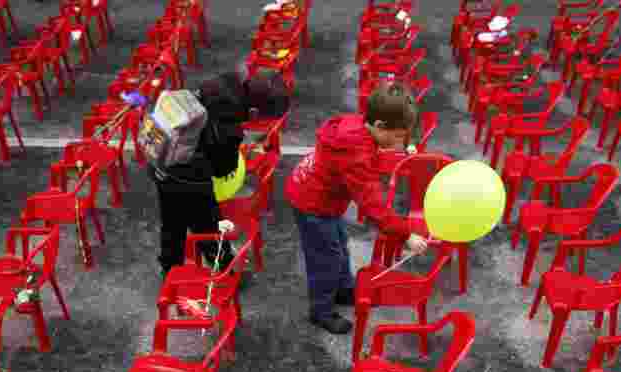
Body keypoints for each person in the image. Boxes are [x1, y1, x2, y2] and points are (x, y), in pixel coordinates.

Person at [286, 82, 429, 334]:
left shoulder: (359, 126)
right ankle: (321, 310)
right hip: (313, 205)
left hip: (323, 200)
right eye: (397, 137)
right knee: (326, 259)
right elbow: (372, 203)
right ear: (380, 126)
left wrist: (401, 150)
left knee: (339, 245)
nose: (399, 143)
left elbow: (370, 155)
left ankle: (342, 290)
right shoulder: (355, 154)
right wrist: (405, 233)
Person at [150, 71, 289, 277]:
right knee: (208, 226)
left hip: (161, 155)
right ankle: (227, 273)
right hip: (188, 176)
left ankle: (169, 268)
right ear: (253, 111)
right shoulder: (228, 128)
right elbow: (223, 170)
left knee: (172, 221)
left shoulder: (224, 82)